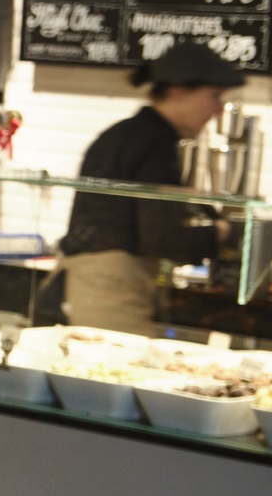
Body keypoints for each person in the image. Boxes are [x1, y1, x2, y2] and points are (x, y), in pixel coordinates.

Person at [57, 43, 247, 332]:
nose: (218, 109)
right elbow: (158, 236)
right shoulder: (156, 142)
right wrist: (222, 233)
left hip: (92, 275)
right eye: (214, 96)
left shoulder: (129, 133)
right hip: (110, 284)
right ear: (178, 91)